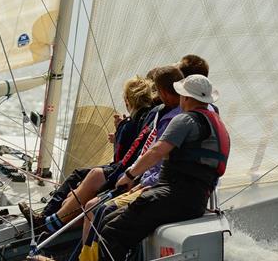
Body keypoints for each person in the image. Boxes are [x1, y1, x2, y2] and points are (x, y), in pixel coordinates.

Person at [88, 74, 230, 261]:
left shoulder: (185, 121)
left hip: (174, 194)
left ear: (186, 97)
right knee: (110, 220)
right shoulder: (215, 123)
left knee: (113, 229)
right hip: (193, 199)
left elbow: (157, 151)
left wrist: (130, 176)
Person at [28, 66, 184, 234]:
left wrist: (131, 174)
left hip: (138, 176)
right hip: (137, 173)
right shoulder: (158, 114)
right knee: (79, 192)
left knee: (88, 189)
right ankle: (52, 221)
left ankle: (49, 222)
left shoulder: (165, 118)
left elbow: (146, 152)